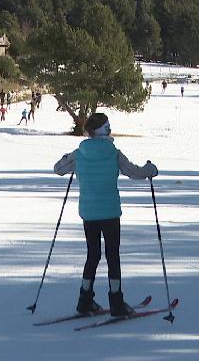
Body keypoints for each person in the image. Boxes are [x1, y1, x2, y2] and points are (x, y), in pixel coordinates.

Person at [54, 112, 158, 317]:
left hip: (88, 212)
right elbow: (135, 172)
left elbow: (58, 169)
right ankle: (117, 302)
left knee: (92, 255)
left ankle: (85, 300)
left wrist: (69, 158)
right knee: (112, 256)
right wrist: (150, 170)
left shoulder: (80, 152)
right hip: (110, 212)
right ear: (105, 130)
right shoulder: (113, 152)